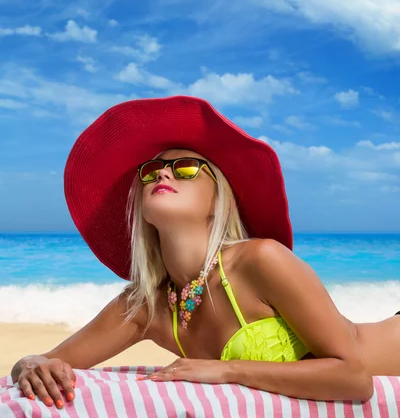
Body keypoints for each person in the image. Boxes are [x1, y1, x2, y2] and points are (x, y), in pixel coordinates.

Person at [11, 96, 400, 411]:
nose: (162, 174)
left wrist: (227, 370)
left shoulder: (260, 260)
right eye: (151, 170)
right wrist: (29, 365)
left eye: (185, 168)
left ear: (221, 202)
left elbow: (353, 378)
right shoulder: (146, 305)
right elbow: (47, 359)